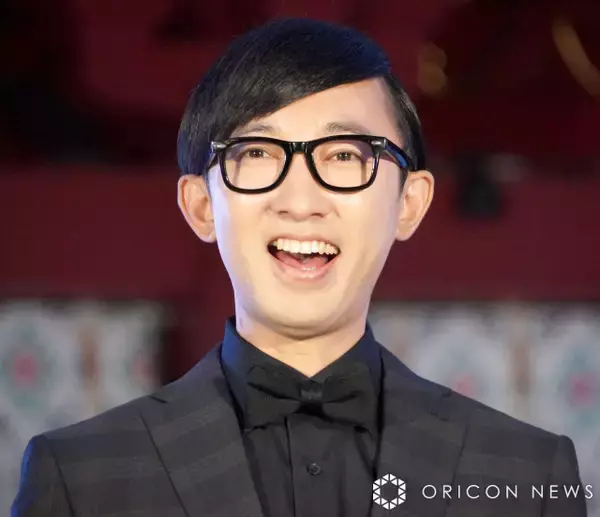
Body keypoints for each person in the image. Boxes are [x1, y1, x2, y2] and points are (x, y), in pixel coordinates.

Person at [12, 18, 587, 517]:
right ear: (201, 206)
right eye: (258, 154)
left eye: (344, 156)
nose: (301, 200)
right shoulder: (83, 478)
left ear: (409, 203)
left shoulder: (527, 475)